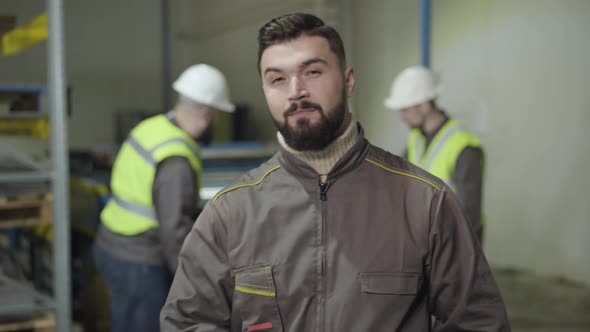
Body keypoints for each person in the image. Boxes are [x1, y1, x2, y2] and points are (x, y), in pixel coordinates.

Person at [161, 13, 510, 331]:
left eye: (312, 72)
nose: (296, 91)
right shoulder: (228, 213)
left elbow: (478, 322)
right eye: (277, 79)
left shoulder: (426, 203)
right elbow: (188, 322)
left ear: (348, 81)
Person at [93, 64, 235, 332]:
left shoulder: (152, 127)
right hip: (138, 261)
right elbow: (174, 231)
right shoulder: (176, 160)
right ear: (206, 113)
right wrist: (198, 282)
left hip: (111, 244)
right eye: (216, 116)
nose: (215, 123)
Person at [384, 66, 486, 243]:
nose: (402, 117)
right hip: (426, 243)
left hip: (454, 248)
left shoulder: (463, 147)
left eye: (405, 110)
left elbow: (470, 215)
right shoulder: (416, 139)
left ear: (424, 105)